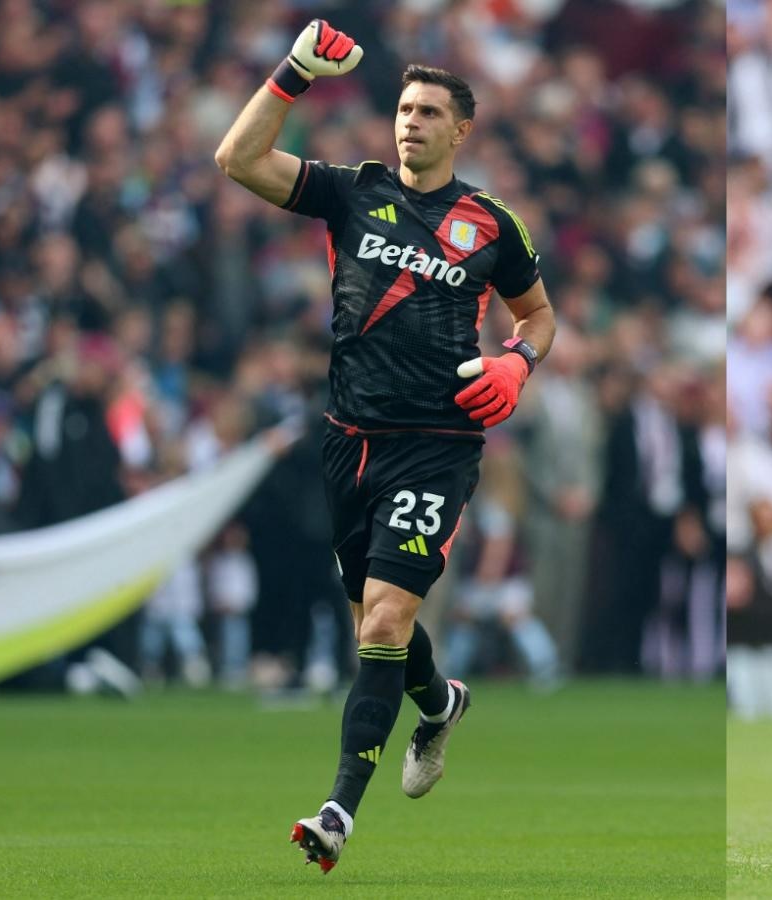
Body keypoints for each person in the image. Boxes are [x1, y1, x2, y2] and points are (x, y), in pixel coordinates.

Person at [214, 20, 555, 872]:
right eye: (404, 108)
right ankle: (438, 705)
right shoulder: (350, 190)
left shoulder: (490, 223)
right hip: (348, 440)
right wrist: (293, 72)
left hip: (438, 443)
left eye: (429, 111)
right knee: (375, 616)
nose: (410, 122)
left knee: (389, 613)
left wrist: (515, 364)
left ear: (460, 129)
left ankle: (336, 811)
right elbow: (238, 160)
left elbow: (541, 317)